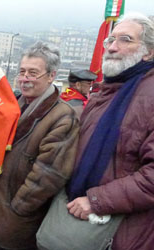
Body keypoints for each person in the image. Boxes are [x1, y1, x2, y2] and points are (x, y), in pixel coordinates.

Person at [66, 13, 154, 250]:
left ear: (148, 52)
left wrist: (97, 201)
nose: (112, 48)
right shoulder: (106, 91)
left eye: (125, 39)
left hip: (126, 232)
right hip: (83, 223)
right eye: (110, 40)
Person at [0, 42, 79, 250]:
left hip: (20, 223)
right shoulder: (13, 104)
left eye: (33, 73)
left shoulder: (62, 116)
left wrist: (16, 209)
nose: (25, 78)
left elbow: (49, 175)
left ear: (51, 76)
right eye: (22, 71)